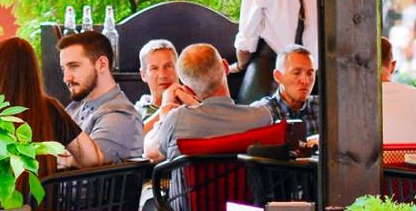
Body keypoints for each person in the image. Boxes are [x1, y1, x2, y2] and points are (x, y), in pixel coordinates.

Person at [0, 36, 103, 176]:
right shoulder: (50, 109)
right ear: (33, 71)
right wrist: (65, 160)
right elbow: (93, 160)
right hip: (38, 190)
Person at [145, 43, 273, 162]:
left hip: (192, 181)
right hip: (243, 180)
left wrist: (164, 115)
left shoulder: (176, 121)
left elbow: (150, 153)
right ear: (226, 67)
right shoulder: (262, 117)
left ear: (188, 90)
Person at [56, 29, 144, 162]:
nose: (66, 78)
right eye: (64, 69)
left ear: (102, 64)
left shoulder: (121, 116)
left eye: (74, 66)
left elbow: (90, 164)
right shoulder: (75, 107)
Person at [258, 45, 319, 136]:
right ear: (278, 76)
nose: (305, 81)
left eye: (310, 73)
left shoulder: (325, 108)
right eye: (297, 73)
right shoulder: (261, 113)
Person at [133, 38, 185, 130]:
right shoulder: (134, 113)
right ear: (143, 75)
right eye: (154, 68)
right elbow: (132, 137)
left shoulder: (193, 104)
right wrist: (165, 108)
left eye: (168, 66)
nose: (162, 75)